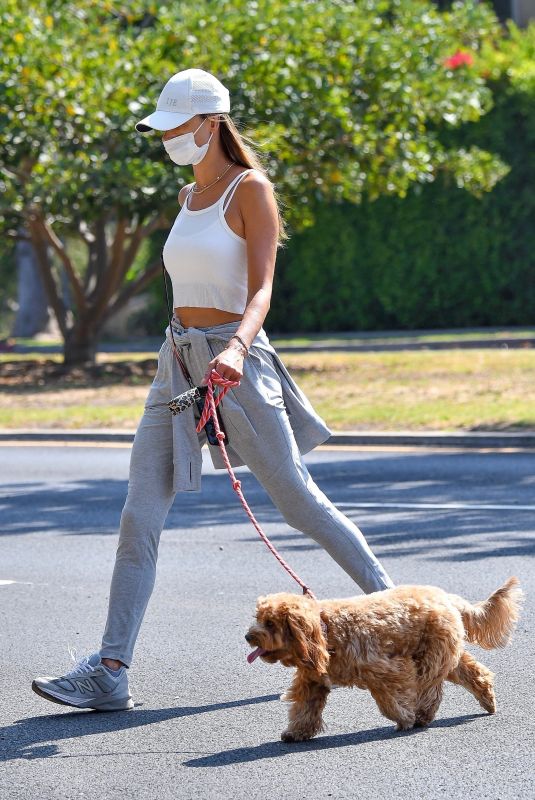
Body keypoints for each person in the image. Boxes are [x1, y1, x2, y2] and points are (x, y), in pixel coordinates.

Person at [32, 68, 395, 712]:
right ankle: (111, 669)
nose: (168, 137)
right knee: (139, 514)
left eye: (176, 126)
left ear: (209, 123)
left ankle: (397, 613)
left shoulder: (249, 190)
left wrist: (236, 347)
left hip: (237, 361)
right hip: (177, 362)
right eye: (163, 129)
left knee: (298, 504)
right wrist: (191, 351)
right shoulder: (186, 196)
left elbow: (261, 291)